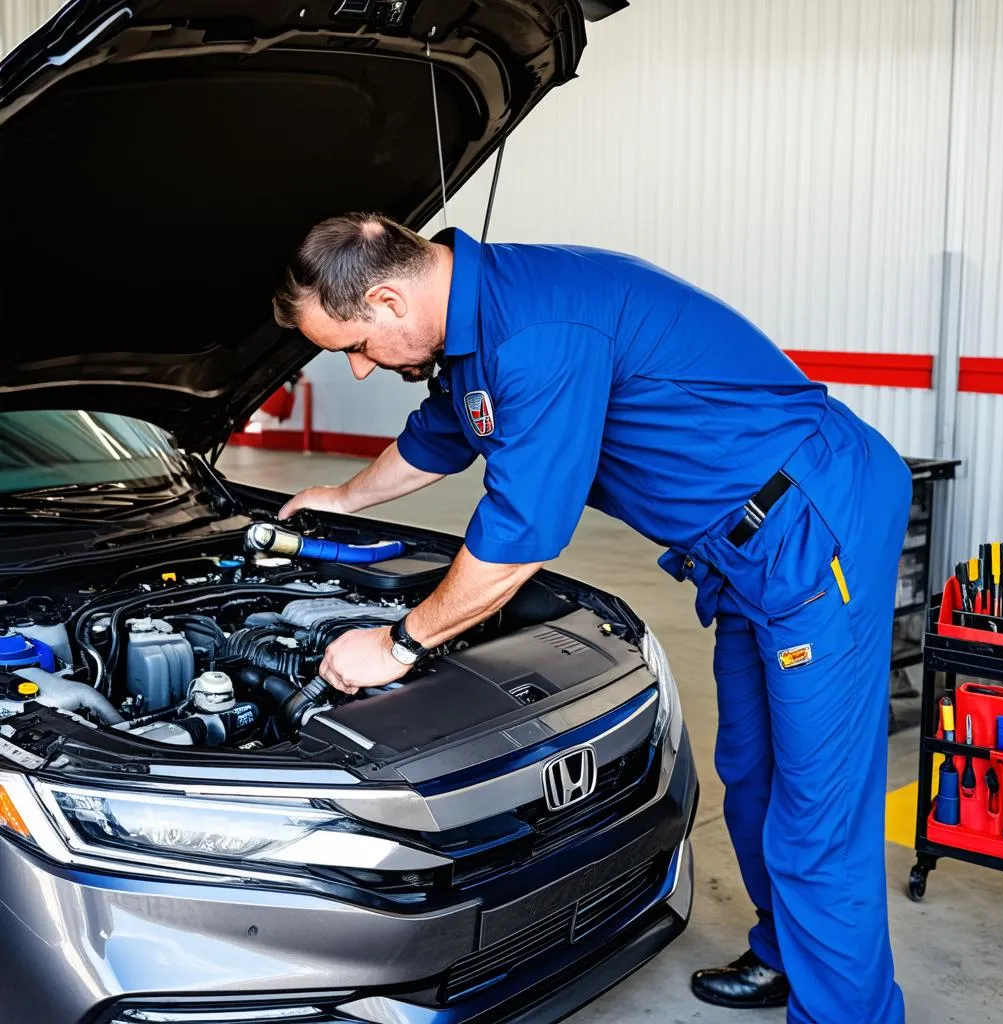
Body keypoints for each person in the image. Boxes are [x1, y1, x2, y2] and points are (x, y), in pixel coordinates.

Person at [273, 212, 911, 1023]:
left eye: (353, 348)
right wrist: (340, 496)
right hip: (742, 547)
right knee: (752, 776)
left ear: (391, 300)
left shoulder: (537, 332)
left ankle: (847, 1014)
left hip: (813, 528)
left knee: (817, 807)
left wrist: (399, 644)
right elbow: (440, 437)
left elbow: (516, 542)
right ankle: (789, 954)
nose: (358, 370)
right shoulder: (477, 327)